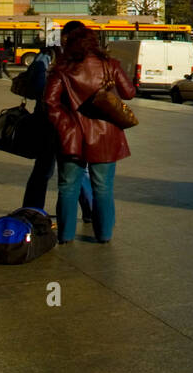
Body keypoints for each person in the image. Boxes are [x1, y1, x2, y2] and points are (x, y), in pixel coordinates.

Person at [44, 20, 136, 244]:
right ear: (94, 43)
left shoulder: (62, 69)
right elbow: (129, 93)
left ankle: (65, 236)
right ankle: (103, 234)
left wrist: (65, 125)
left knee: (67, 187)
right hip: (105, 135)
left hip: (71, 138)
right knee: (103, 188)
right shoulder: (110, 65)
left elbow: (49, 102)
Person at [23, 45, 93, 223]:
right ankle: (90, 210)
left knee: (42, 171)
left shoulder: (45, 64)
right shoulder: (71, 67)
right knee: (77, 171)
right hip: (65, 127)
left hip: (47, 125)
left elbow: (35, 89)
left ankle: (31, 210)